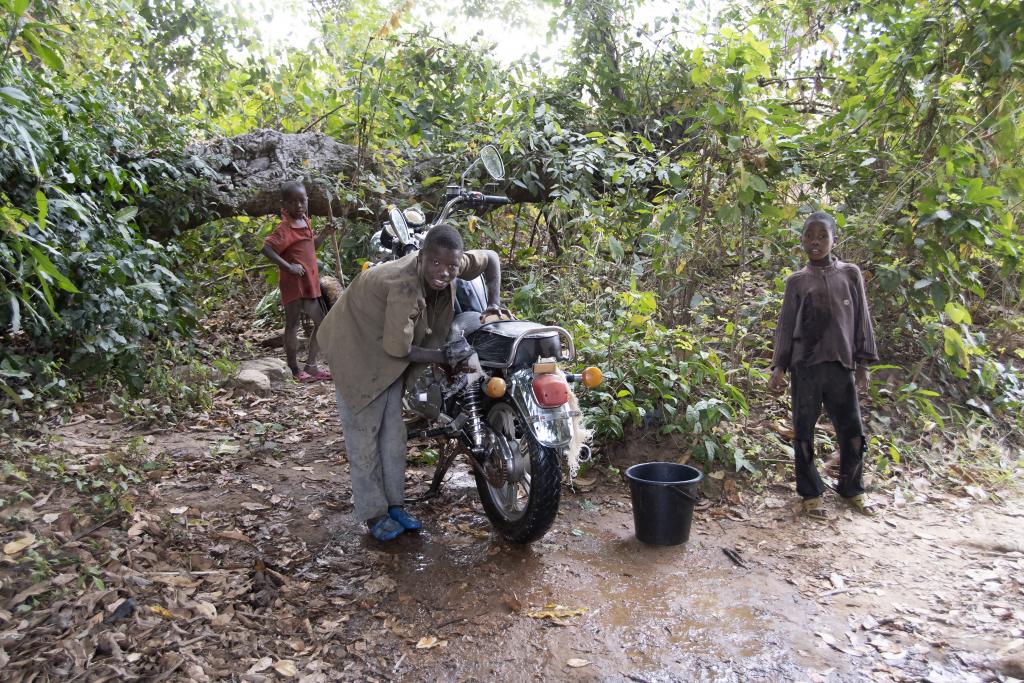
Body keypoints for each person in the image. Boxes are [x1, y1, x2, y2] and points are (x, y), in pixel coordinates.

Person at [316, 224, 503, 541]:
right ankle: (374, 513)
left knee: (393, 434)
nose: (443, 272)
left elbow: (492, 259)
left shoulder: (451, 260)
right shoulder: (405, 287)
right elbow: (398, 348)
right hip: (356, 344)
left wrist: (493, 304)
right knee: (365, 436)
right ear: (422, 257)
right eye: (435, 264)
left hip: (386, 343)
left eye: (451, 266)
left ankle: (395, 504)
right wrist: (443, 357)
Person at [768, 211, 879, 520]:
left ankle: (851, 488)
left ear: (834, 239)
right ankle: (810, 494)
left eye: (822, 236)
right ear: (802, 240)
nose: (815, 242)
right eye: (809, 236)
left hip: (841, 365)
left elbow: (862, 320)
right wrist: (779, 366)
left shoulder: (850, 274)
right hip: (806, 368)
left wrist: (864, 364)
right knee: (803, 431)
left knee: (852, 432)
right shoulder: (797, 281)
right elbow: (786, 325)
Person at [262, 181, 336, 382]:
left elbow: (311, 248)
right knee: (292, 325)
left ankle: (311, 365)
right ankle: (294, 369)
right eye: (293, 202)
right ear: (284, 205)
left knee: (322, 322)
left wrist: (324, 234)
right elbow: (267, 249)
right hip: (293, 284)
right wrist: (289, 267)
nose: (299, 206)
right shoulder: (284, 228)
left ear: (307, 201)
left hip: (309, 283)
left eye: (302, 201)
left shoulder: (305, 221)